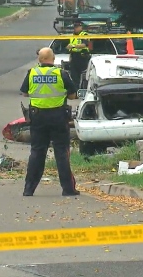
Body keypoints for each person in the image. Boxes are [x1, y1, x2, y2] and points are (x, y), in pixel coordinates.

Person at [20, 47, 80, 197]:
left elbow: (25, 92)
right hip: (58, 117)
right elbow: (73, 95)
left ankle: (29, 189)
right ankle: (68, 189)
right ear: (53, 59)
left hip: (38, 117)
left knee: (37, 152)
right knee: (61, 153)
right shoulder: (61, 73)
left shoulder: (32, 73)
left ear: (39, 60)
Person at [66, 21, 91, 89]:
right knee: (74, 76)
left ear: (81, 27)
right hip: (74, 57)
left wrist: (73, 46)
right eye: (75, 27)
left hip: (82, 57)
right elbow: (69, 47)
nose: (76, 29)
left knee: (84, 76)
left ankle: (84, 90)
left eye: (77, 27)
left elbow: (84, 44)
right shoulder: (72, 36)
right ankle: (76, 91)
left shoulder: (84, 34)